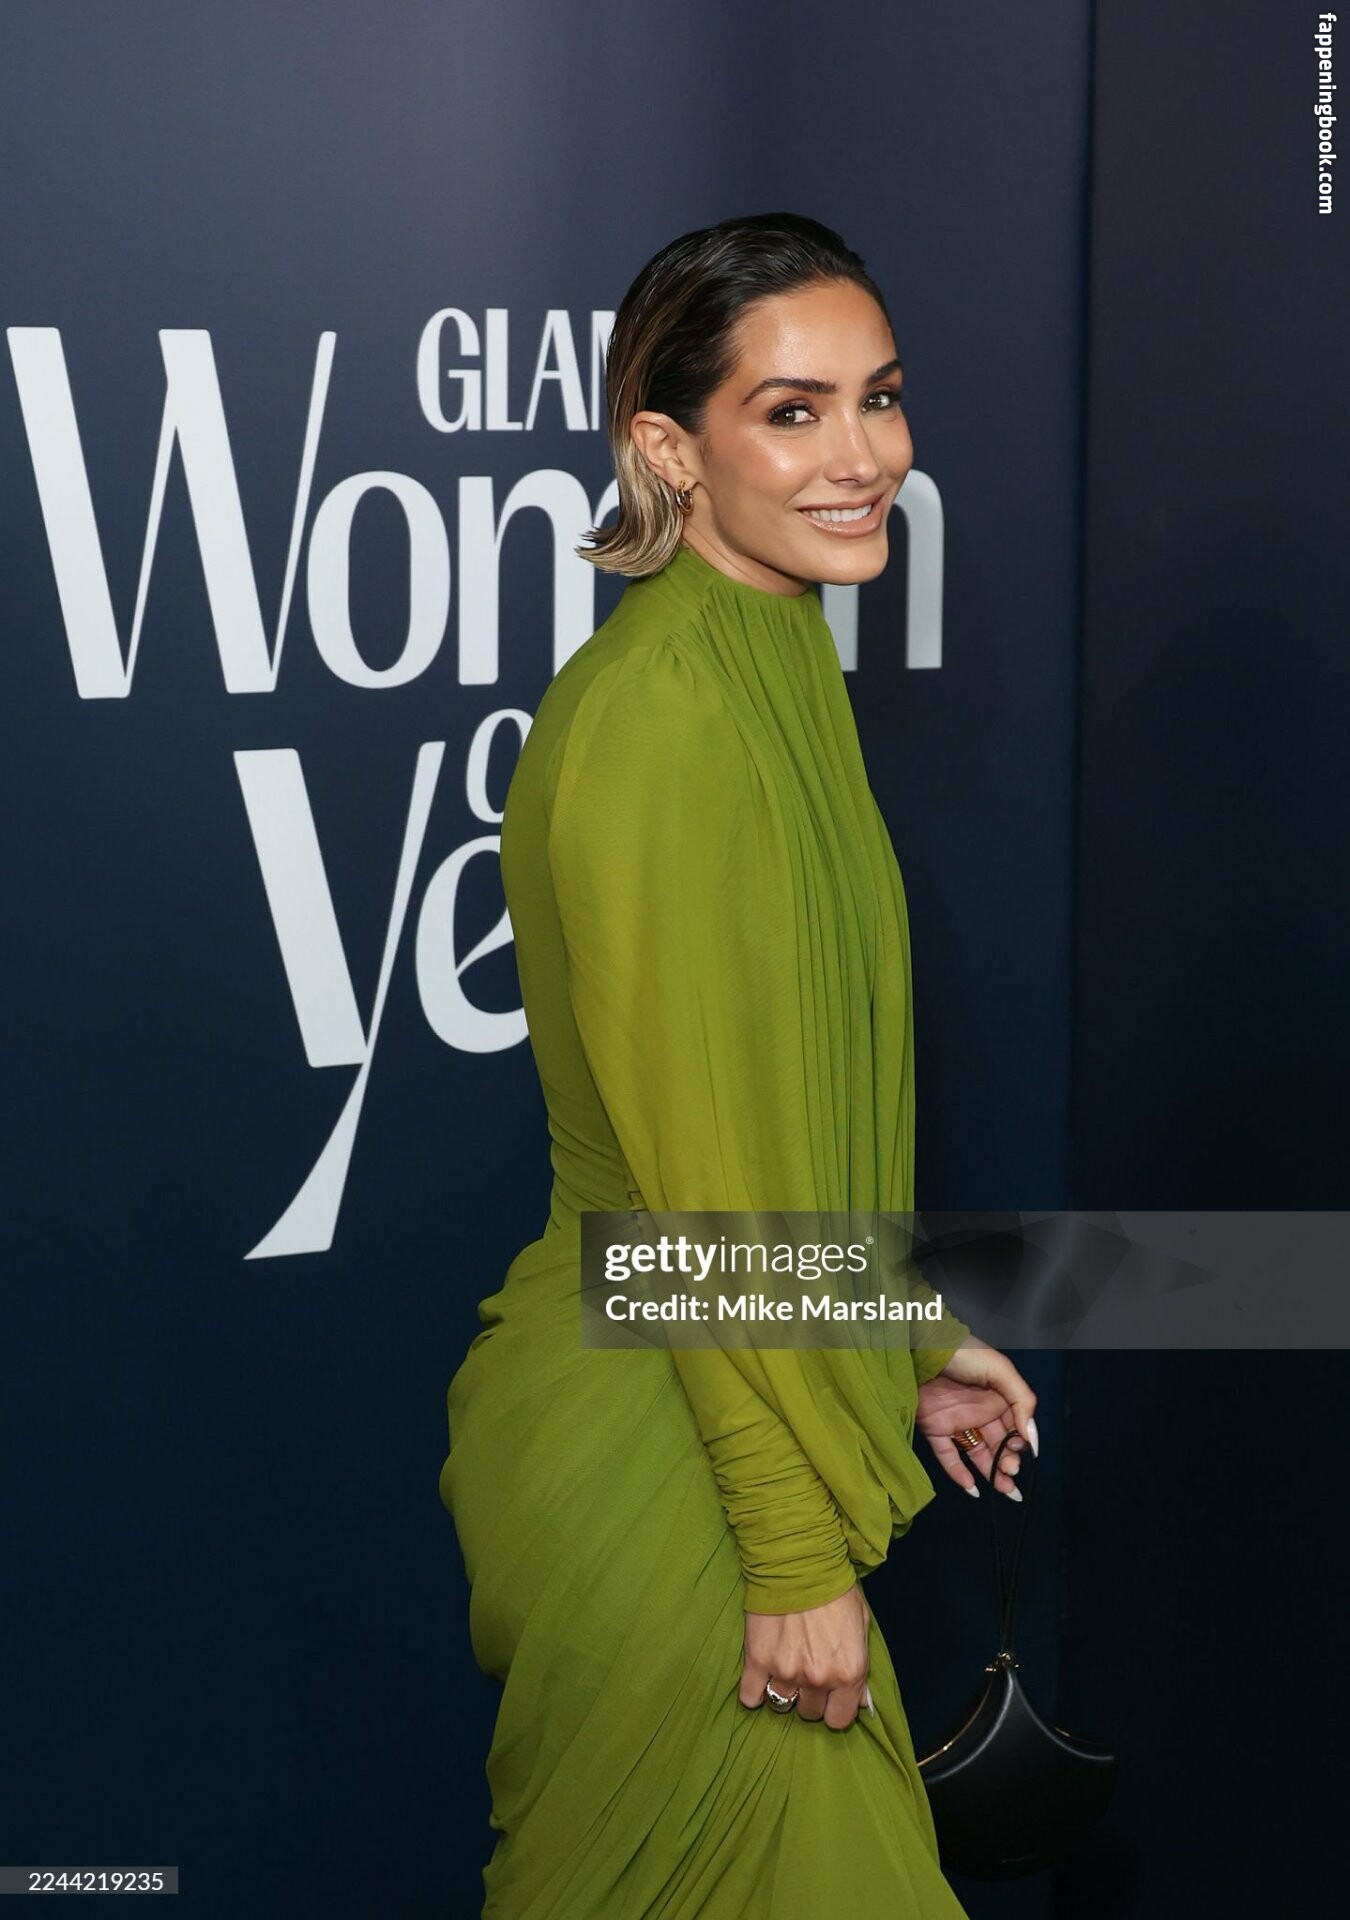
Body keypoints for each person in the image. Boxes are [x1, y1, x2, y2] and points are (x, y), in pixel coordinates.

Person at [440, 212, 1038, 1919]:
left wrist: (901, 1331)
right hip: (668, 1455)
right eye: (791, 412)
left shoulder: (774, 653)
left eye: (880, 398)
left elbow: (778, 1120)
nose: (863, 457)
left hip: (712, 1387)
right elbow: (691, 1188)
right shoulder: (663, 718)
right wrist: (784, 1554)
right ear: (666, 448)